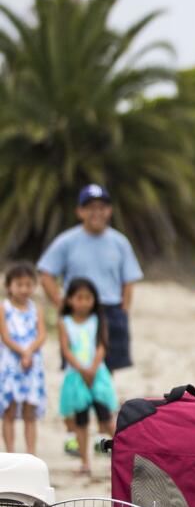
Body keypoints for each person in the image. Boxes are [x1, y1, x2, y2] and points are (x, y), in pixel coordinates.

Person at [37, 183, 142, 456]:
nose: (97, 212)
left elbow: (129, 279)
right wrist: (63, 305)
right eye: (90, 207)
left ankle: (100, 436)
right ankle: (75, 435)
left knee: (105, 376)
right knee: (76, 374)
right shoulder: (67, 240)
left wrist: (124, 310)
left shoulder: (119, 241)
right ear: (80, 211)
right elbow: (45, 272)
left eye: (102, 207)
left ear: (109, 210)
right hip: (77, 316)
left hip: (109, 312)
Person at [56, 278, 116, 478]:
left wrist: (93, 368)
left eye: (88, 298)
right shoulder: (64, 323)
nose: (83, 302)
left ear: (94, 300)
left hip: (97, 375)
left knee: (106, 419)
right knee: (80, 421)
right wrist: (82, 370)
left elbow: (101, 346)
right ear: (70, 300)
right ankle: (84, 462)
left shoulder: (98, 320)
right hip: (76, 377)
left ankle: (125, 455)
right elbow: (66, 349)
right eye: (79, 297)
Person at [0, 262, 47, 455]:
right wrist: (22, 352)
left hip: (32, 365)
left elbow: (42, 335)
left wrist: (29, 352)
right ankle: (10, 453)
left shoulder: (36, 309)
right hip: (11, 365)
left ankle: (30, 453)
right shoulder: (4, 308)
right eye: (19, 284)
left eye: (28, 284)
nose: (24, 289)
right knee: (9, 411)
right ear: (9, 285)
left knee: (30, 412)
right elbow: (5, 337)